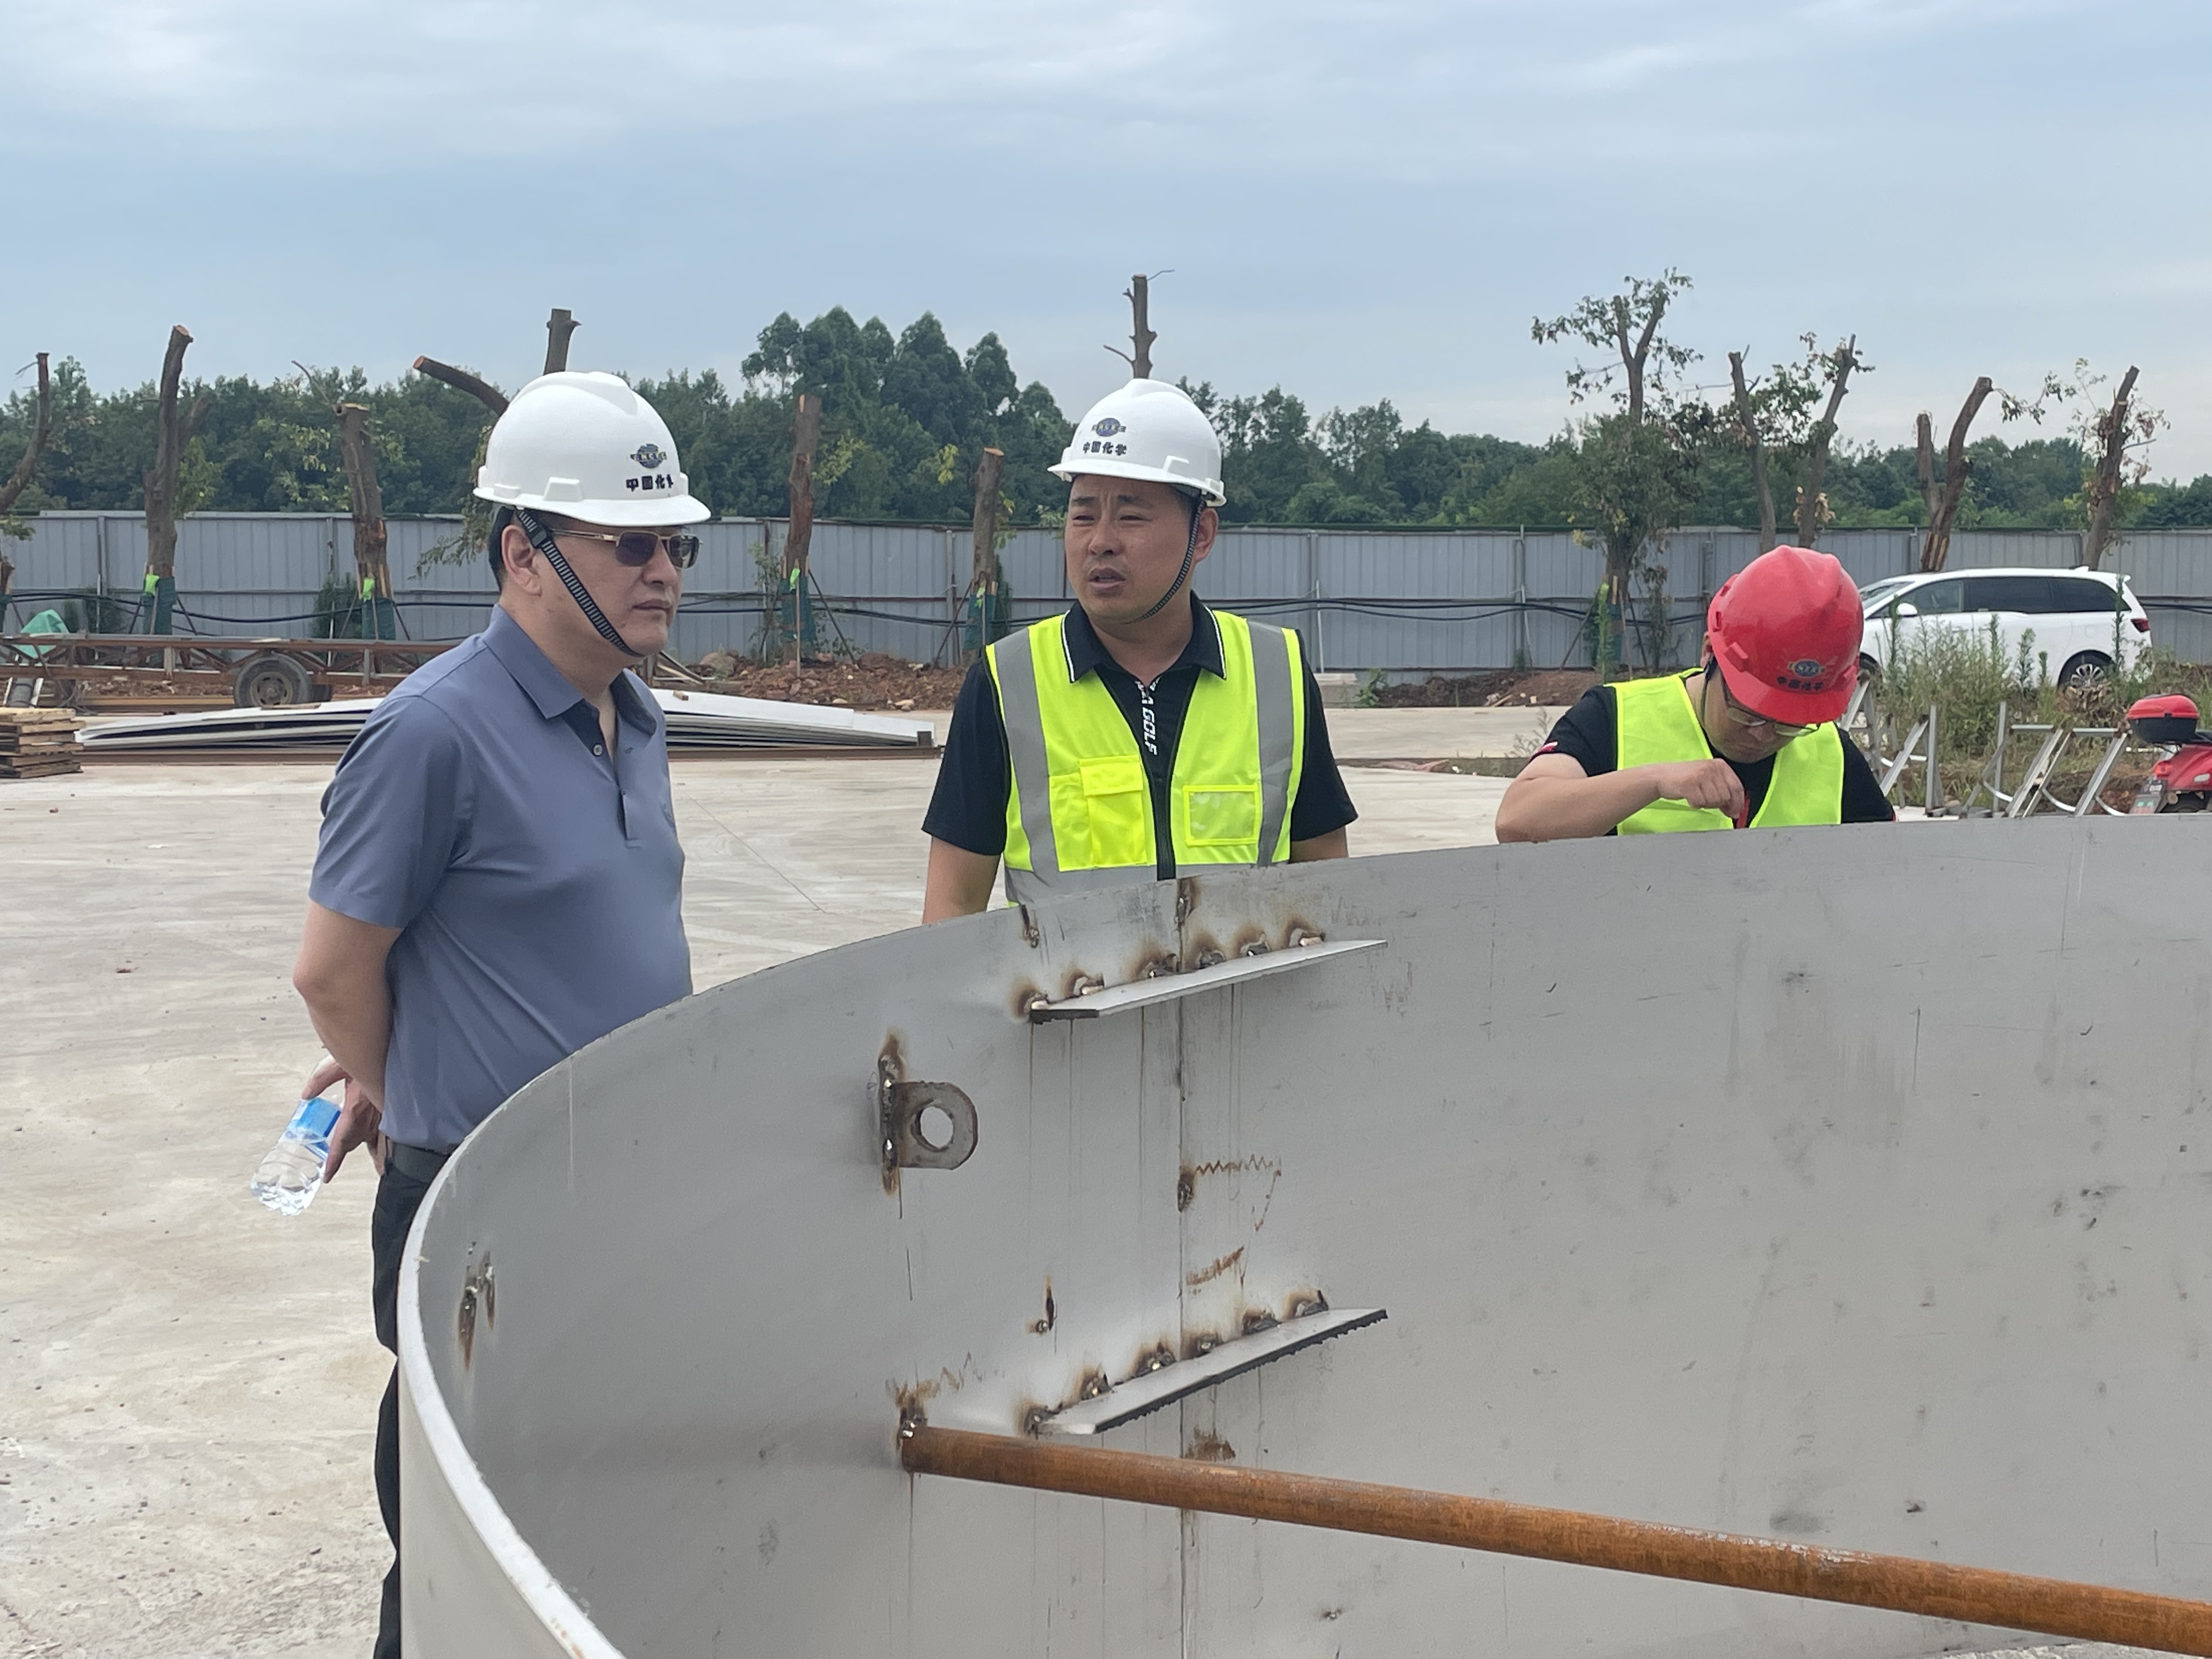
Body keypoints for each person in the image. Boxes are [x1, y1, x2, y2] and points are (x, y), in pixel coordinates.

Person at [289, 370, 707, 1658]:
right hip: (481, 1204)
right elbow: (332, 970)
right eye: (629, 544)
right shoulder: (434, 734)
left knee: (591, 1530)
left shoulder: (632, 715)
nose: (663, 572)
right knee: (464, 1556)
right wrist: (401, 1084)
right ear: (524, 553)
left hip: (622, 1185)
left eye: (676, 546)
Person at [922, 379, 1356, 917]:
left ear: (1202, 534)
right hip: (1072, 978)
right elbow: (953, 903)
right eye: (1083, 515)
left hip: (1241, 978)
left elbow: (1327, 887)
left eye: (1130, 516)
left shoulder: (1276, 673)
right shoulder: (1006, 682)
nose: (1100, 541)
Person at [1494, 544, 1893, 842]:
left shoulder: (1832, 755)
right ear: (1708, 654)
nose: (1762, 734)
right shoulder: (1614, 718)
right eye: (1748, 710)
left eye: (1789, 723)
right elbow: (1517, 821)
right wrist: (1653, 780)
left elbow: (1892, 874)